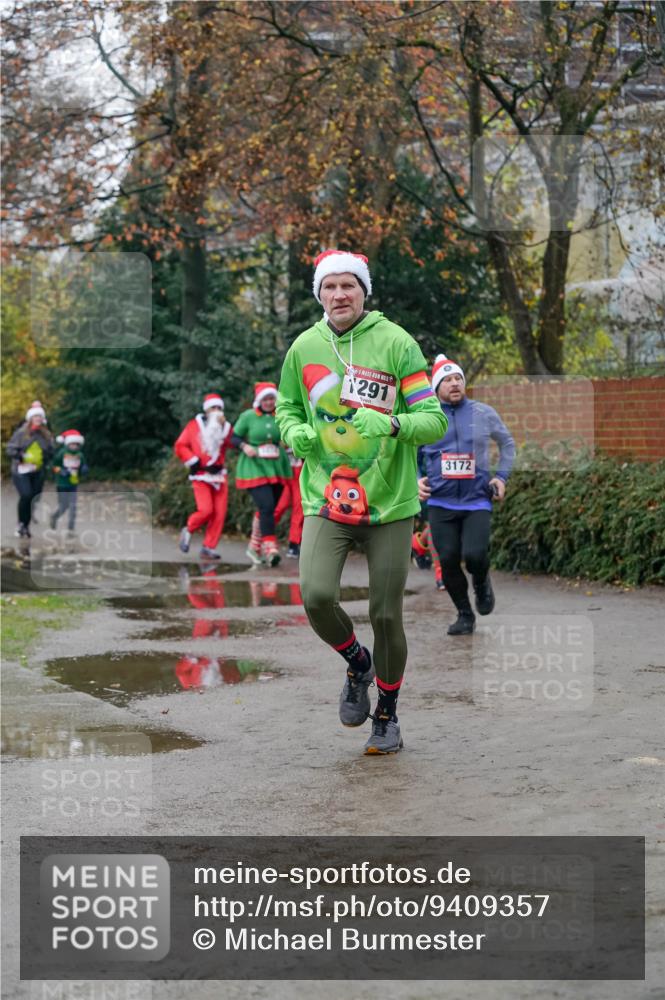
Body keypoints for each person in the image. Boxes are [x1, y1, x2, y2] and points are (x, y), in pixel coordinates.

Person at [277, 249, 448, 755]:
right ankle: (357, 663)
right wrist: (294, 431)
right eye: (329, 287)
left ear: (363, 290)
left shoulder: (396, 343)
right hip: (324, 499)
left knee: (386, 614)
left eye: (348, 285)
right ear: (319, 294)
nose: (339, 295)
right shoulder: (305, 346)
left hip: (389, 505)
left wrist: (391, 424)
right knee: (314, 594)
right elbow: (288, 405)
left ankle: (388, 715)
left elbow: (433, 418)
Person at [418, 355, 516, 635]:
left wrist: (501, 477)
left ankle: (482, 581)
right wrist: (416, 481)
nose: (454, 383)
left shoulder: (483, 412)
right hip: (440, 501)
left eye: (458, 378)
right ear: (436, 387)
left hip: (476, 500)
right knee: (447, 559)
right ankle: (464, 614)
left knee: (474, 555)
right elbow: (409, 454)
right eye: (447, 380)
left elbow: (507, 443)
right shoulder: (426, 418)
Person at [232, 382, 292, 567]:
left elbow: (287, 435)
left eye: (271, 398)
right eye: (265, 399)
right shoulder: (248, 416)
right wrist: (244, 446)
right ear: (259, 400)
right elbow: (234, 437)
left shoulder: (281, 416)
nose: (268, 402)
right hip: (254, 466)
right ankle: (270, 547)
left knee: (269, 508)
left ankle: (254, 546)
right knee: (266, 506)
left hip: (277, 465)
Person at [174, 393, 234, 560]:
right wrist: (192, 459)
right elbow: (180, 445)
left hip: (219, 475)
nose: (216, 411)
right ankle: (189, 529)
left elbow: (232, 442)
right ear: (206, 410)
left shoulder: (224, 427)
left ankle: (208, 547)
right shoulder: (194, 426)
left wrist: (225, 427)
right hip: (201, 475)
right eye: (213, 408)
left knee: (219, 513)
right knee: (206, 510)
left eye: (219, 408)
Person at [6, 400, 55, 537]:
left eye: (40, 417)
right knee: (26, 495)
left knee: (33, 497)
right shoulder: (21, 433)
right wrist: (21, 456)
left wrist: (46, 458)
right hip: (21, 470)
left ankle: (26, 525)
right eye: (35, 417)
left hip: (37, 471)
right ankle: (22, 524)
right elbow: (10, 449)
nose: (38, 419)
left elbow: (51, 451)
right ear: (30, 418)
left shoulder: (45, 434)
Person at [50, 429, 88, 532]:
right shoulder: (62, 453)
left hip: (73, 484)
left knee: (73, 506)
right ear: (67, 444)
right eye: (72, 444)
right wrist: (60, 470)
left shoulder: (80, 455)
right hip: (62, 484)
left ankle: (71, 528)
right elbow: (53, 466)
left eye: (76, 444)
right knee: (64, 506)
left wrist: (84, 469)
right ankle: (54, 517)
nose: (74, 446)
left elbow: (82, 466)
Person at [273, 446, 304, 558]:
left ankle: (294, 545)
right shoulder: (278, 432)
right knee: (279, 508)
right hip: (286, 475)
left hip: (299, 475)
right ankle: (264, 537)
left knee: (298, 511)